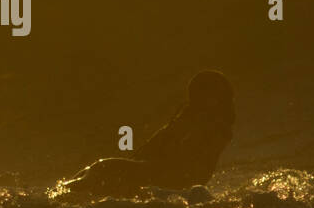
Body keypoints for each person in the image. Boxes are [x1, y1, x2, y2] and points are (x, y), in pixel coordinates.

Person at [53, 70, 234, 198]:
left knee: (103, 168)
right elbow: (147, 151)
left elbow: (187, 163)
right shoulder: (190, 121)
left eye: (199, 94)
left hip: (172, 180)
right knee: (96, 170)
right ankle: (57, 200)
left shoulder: (214, 127)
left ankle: (52, 203)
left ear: (215, 97)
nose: (193, 100)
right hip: (162, 175)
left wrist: (135, 169)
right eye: (193, 95)